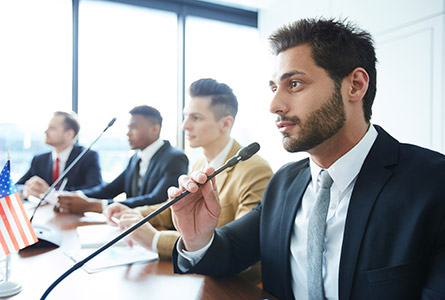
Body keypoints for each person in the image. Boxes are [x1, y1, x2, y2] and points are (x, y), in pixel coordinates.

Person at [168, 18, 445, 300]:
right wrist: (197, 238)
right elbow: (229, 252)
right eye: (274, 88)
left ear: (355, 86)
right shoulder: (283, 183)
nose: (275, 106)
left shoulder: (435, 185)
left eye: (295, 84)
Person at [106, 79, 273, 280]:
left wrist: (155, 239)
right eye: (186, 117)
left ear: (226, 123)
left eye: (196, 118)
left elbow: (241, 246)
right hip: (199, 277)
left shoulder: (255, 170)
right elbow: (174, 210)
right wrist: (132, 213)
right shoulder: (199, 164)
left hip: (233, 286)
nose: (185, 126)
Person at [56, 105, 188, 214]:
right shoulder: (135, 158)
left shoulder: (175, 158)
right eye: (128, 127)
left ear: (155, 129)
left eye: (134, 127)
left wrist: (94, 206)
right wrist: (74, 196)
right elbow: (109, 189)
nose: (128, 133)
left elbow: (157, 199)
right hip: (130, 226)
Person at [17, 111, 102, 198]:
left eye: (52, 128)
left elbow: (96, 189)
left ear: (69, 134)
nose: (45, 131)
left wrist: (51, 192)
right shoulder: (39, 159)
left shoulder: (88, 156)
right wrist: (25, 190)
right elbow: (15, 186)